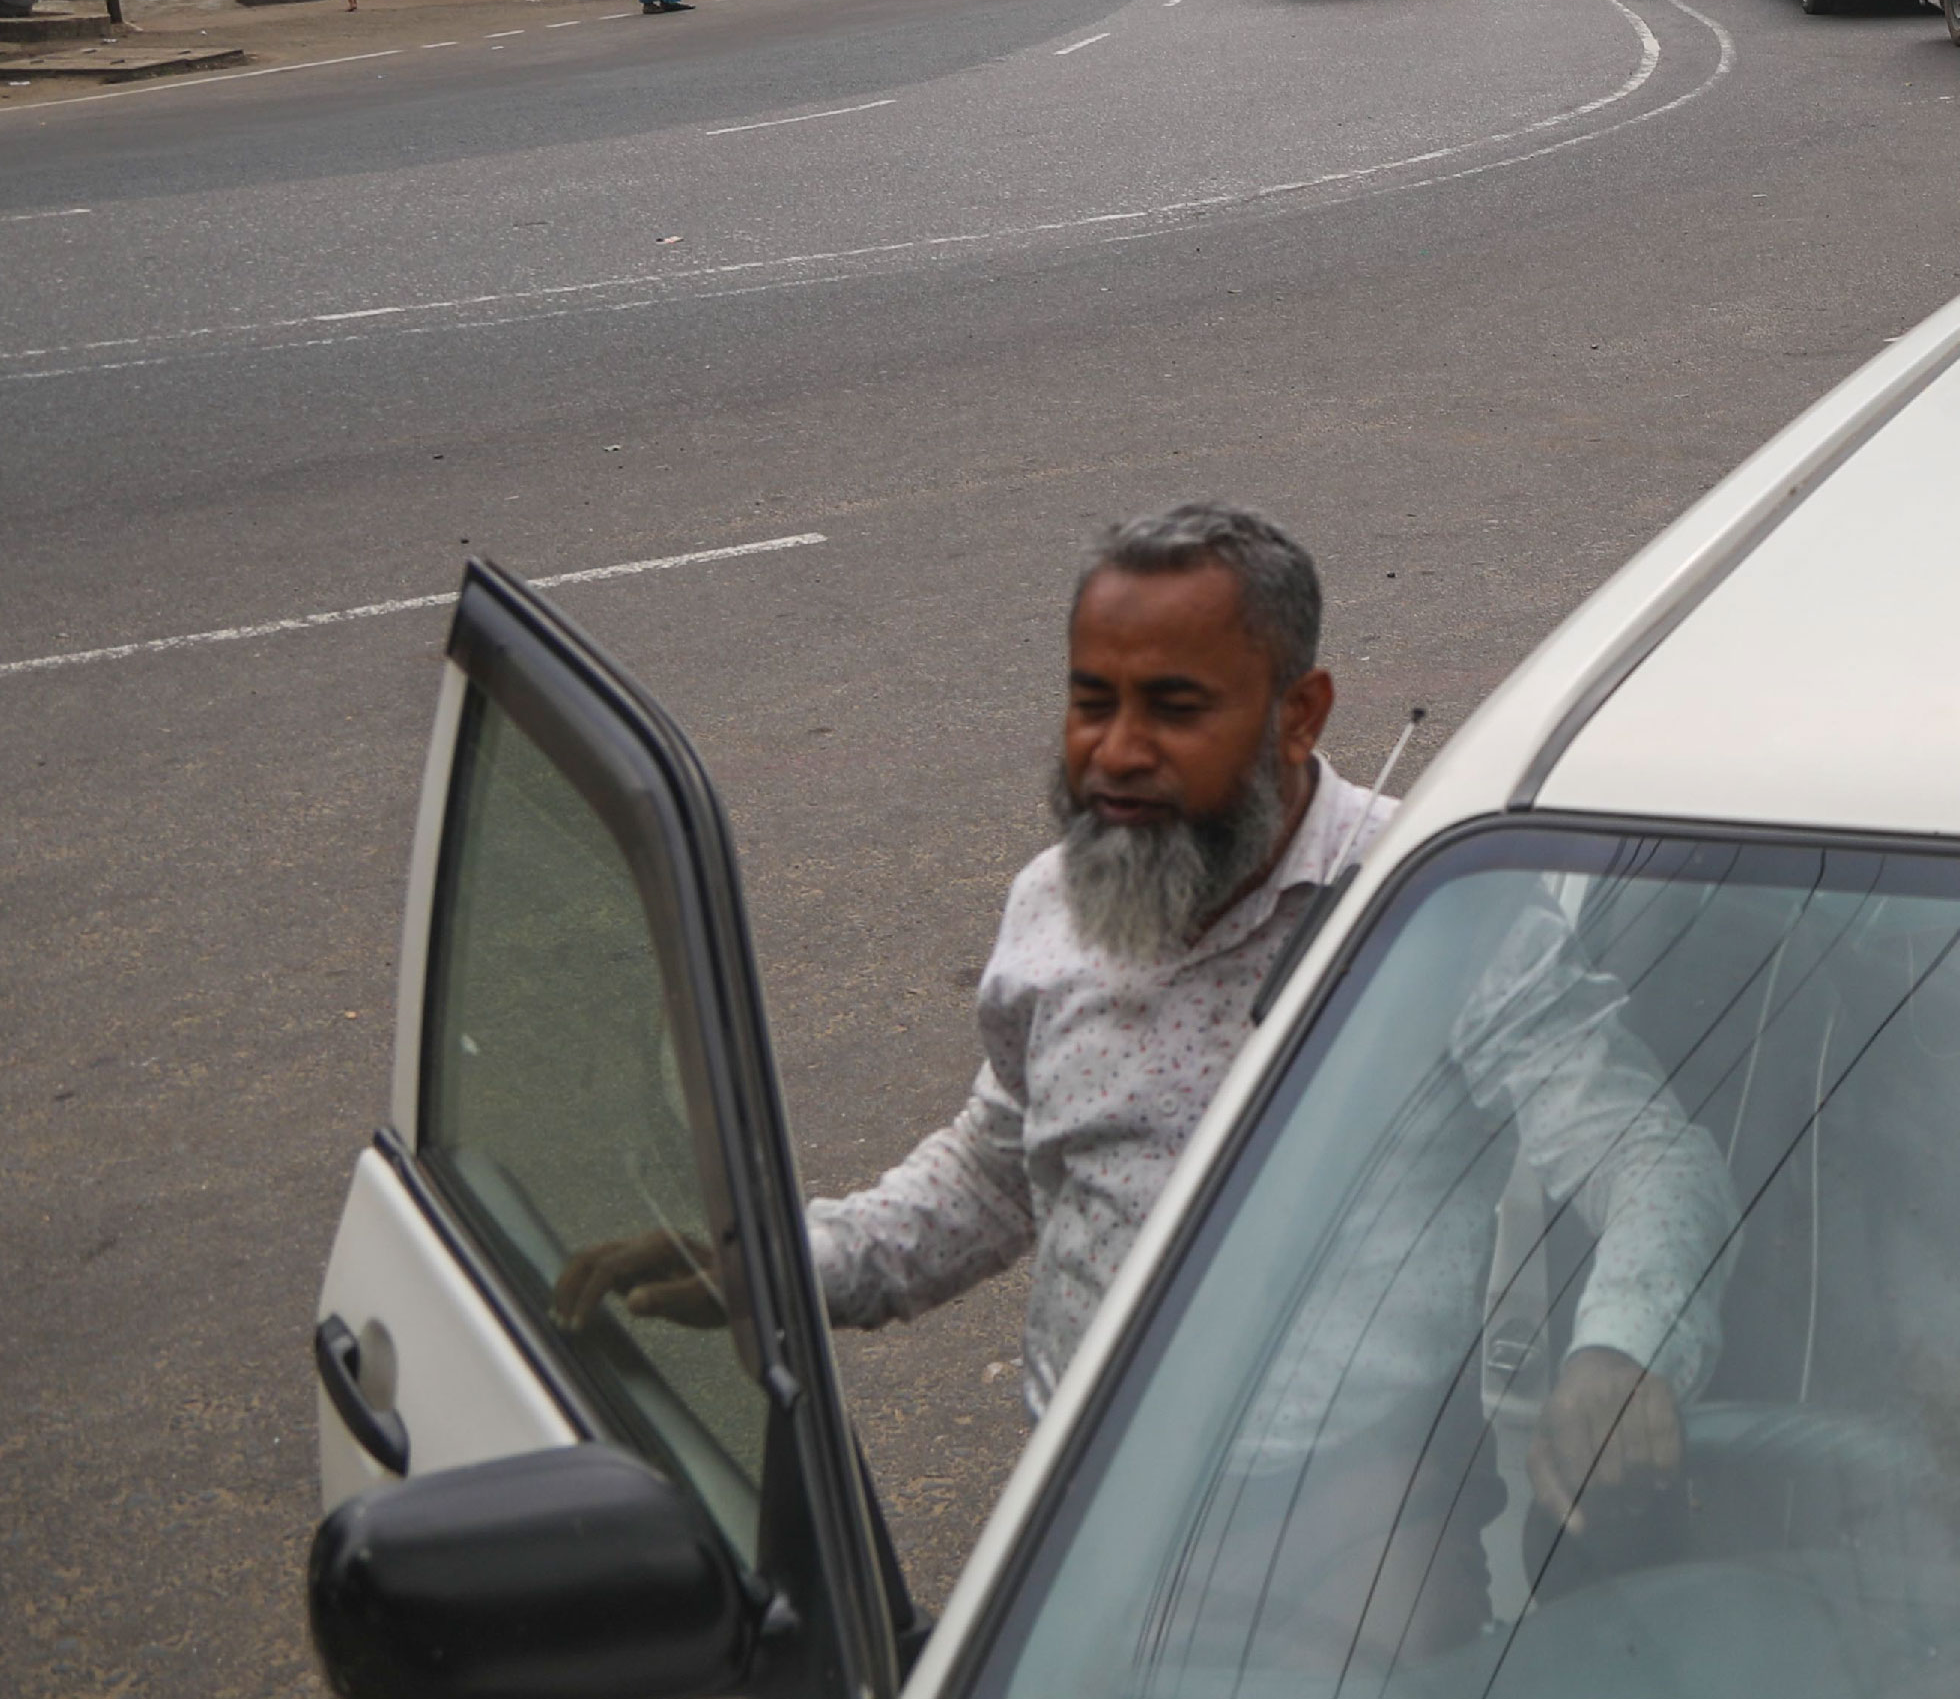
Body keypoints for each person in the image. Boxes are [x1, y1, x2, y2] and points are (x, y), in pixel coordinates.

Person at [555, 506, 1408, 1409]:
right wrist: (773, 1270)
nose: (1114, 752)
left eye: (1174, 709)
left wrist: (1583, 1370)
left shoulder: (1434, 904)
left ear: (1300, 715)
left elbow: (1573, 1152)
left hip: (1364, 1519)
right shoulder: (1054, 905)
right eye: (1092, 704)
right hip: (1089, 1507)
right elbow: (999, 1173)